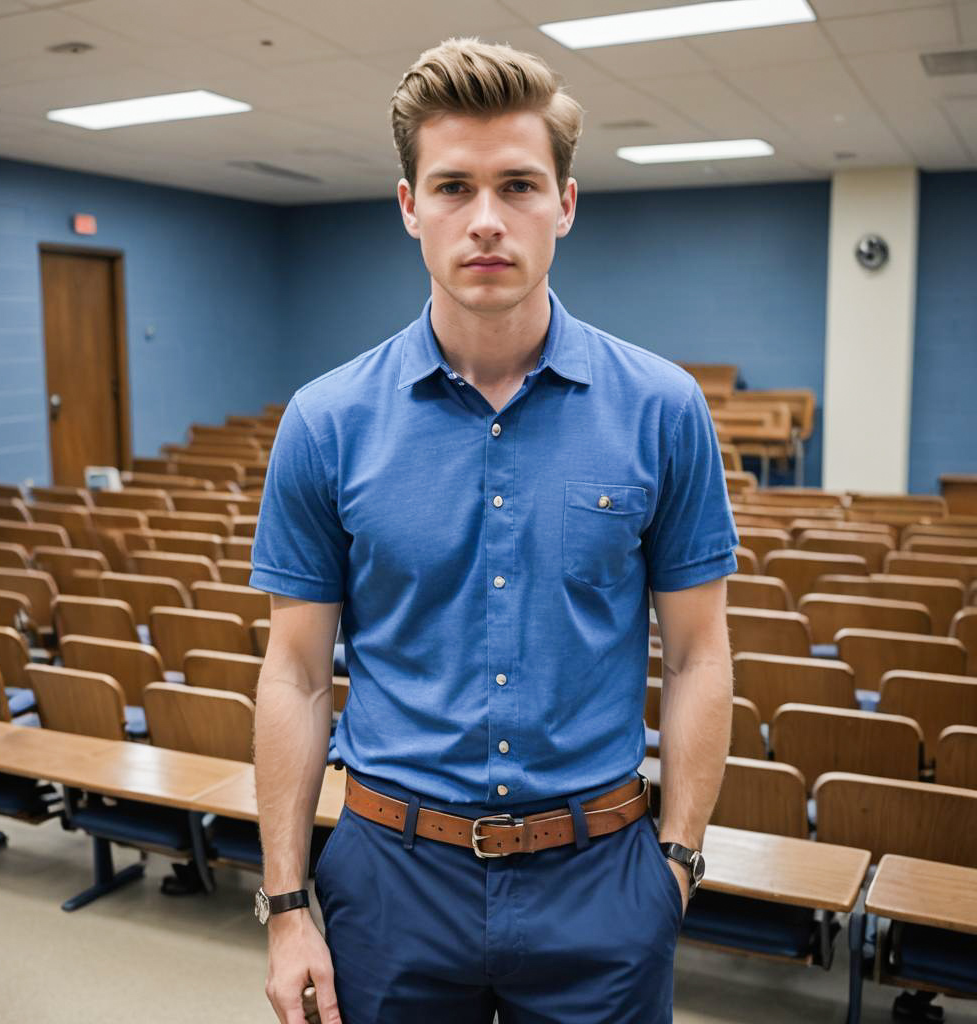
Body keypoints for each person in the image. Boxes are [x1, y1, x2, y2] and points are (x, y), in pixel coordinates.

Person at [250, 36, 738, 1024]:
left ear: (563, 203)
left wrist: (676, 865)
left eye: (517, 185)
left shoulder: (662, 408)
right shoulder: (325, 420)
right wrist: (288, 905)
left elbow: (697, 654)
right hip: (388, 879)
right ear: (408, 207)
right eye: (451, 187)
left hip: (600, 879)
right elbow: (295, 674)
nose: (484, 221)